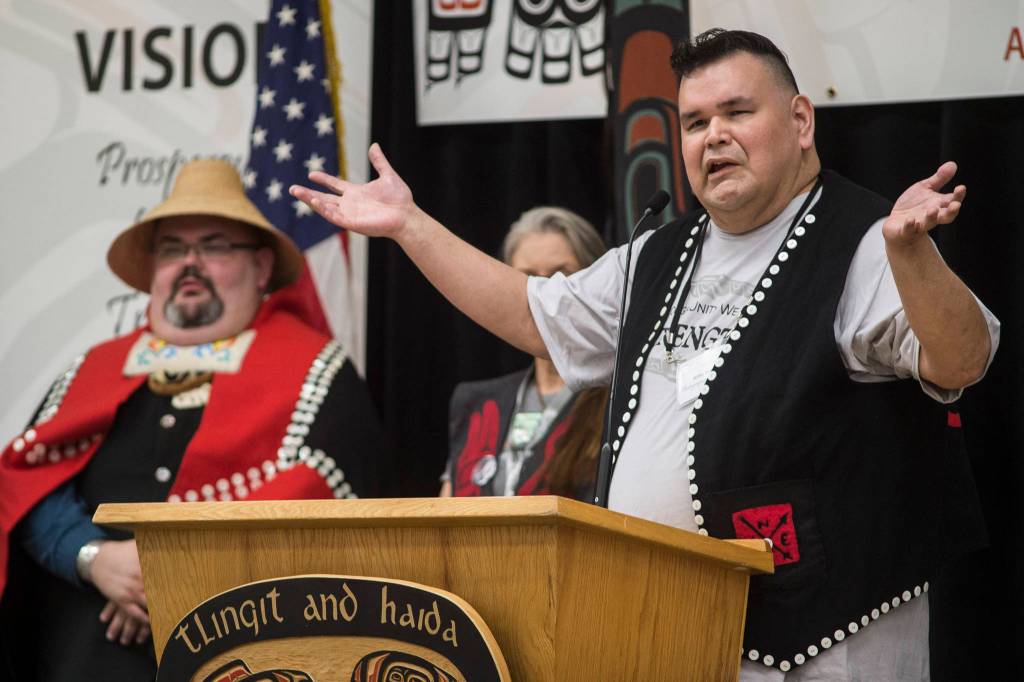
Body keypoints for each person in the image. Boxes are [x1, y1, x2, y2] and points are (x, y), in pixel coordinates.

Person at [292, 28, 1000, 679]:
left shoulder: (866, 240)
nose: (713, 137)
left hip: (826, 638)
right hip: (673, 628)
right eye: (695, 123)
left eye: (736, 113)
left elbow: (962, 361)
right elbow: (537, 318)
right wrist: (411, 228)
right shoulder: (662, 252)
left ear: (800, 121)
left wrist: (913, 256)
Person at [0, 159, 388, 681]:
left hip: (248, 654)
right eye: (173, 249)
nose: (190, 263)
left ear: (262, 268)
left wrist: (167, 572)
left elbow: (323, 489)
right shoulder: (93, 369)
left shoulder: (315, 367)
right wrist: (93, 558)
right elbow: (27, 483)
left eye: (214, 245)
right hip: (86, 656)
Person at [440, 207, 608, 501]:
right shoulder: (477, 402)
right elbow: (443, 518)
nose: (543, 293)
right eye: (527, 279)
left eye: (561, 275)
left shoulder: (620, 401)